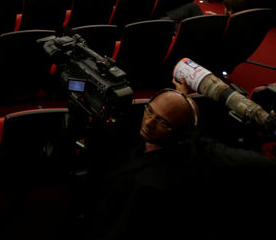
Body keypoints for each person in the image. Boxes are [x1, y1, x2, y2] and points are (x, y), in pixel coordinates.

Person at [89, 88, 276, 240]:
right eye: (149, 110)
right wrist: (181, 97)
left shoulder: (147, 184)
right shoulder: (190, 141)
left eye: (163, 122)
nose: (149, 122)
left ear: (180, 132)